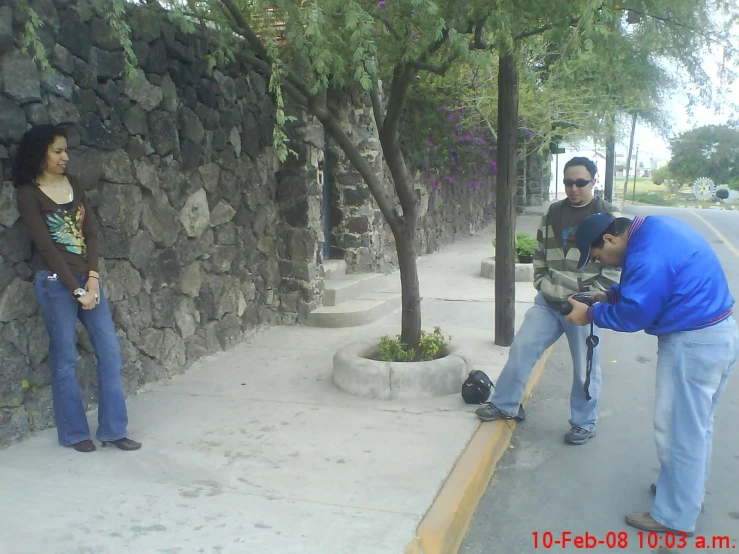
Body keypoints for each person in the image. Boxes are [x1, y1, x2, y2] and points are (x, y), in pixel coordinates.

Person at [565, 212, 737, 536]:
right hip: (717, 335)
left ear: (609, 239)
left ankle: (675, 516)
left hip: (693, 342)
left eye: (599, 256)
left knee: (677, 431)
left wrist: (588, 313)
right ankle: (685, 493)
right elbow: (653, 286)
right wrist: (607, 296)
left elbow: (635, 315)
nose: (603, 263)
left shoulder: (646, 252)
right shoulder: (652, 229)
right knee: (696, 428)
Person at [13, 124, 141, 453]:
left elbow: (92, 234)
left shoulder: (75, 185)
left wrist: (94, 279)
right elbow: (46, 247)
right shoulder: (28, 193)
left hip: (89, 282)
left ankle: (114, 430)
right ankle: (73, 432)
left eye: (65, 151)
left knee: (110, 353)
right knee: (66, 357)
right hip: (56, 284)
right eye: (57, 151)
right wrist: (76, 290)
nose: (64, 156)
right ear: (40, 153)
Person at [476, 157, 620, 445]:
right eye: (568, 182)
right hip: (548, 302)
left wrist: (590, 299)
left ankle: (583, 422)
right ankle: (506, 403)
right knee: (522, 349)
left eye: (580, 182)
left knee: (585, 368)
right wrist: (542, 282)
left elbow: (615, 267)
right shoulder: (553, 212)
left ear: (594, 181)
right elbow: (540, 252)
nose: (574, 188)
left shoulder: (608, 217)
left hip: (584, 307)